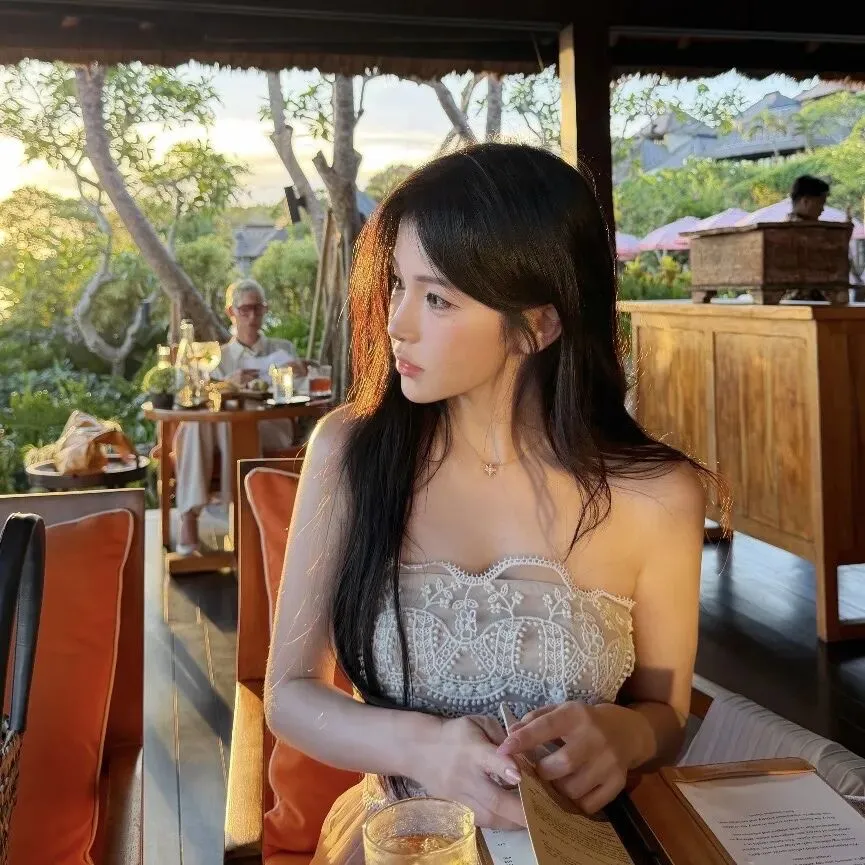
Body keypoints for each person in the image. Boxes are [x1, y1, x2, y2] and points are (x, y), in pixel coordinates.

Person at [264, 143, 719, 864]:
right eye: (397, 285)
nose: (396, 323)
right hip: (407, 839)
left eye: (436, 298)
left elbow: (664, 714)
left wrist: (625, 734)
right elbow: (288, 694)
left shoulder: (657, 495)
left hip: (576, 843)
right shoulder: (351, 453)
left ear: (537, 325)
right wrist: (422, 747)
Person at [174, 278, 304, 555]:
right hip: (223, 430)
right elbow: (196, 398)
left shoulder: (283, 350)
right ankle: (190, 516)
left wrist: (300, 373)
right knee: (198, 423)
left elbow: (304, 393)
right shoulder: (216, 358)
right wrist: (228, 384)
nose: (252, 316)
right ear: (231, 312)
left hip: (269, 425)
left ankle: (235, 514)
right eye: (245, 310)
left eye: (258, 308)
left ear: (265, 309)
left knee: (225, 423)